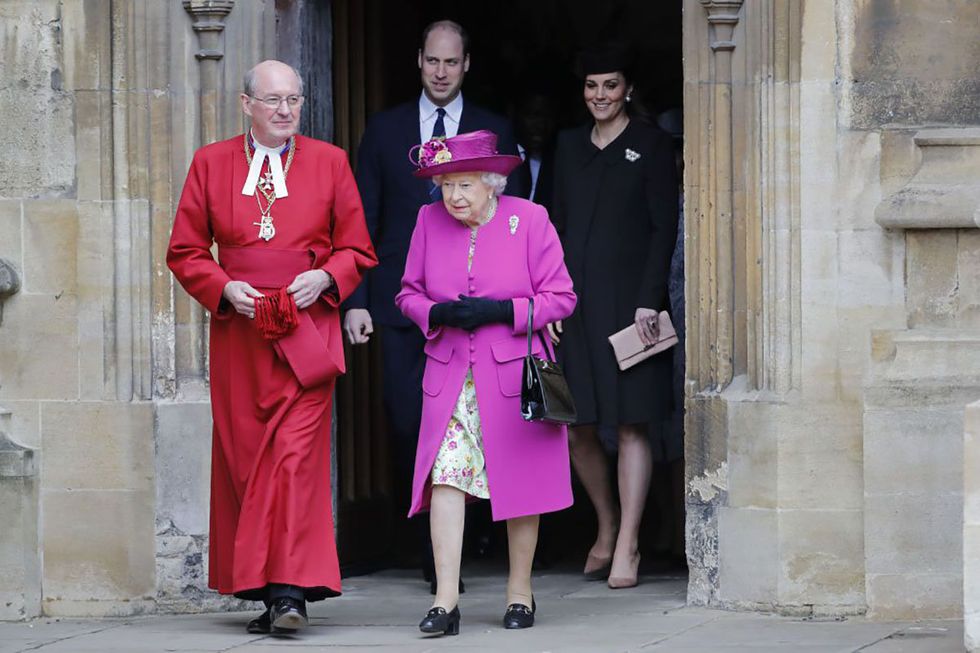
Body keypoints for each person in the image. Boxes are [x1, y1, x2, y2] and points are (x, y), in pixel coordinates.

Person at [166, 60, 377, 634]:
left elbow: (357, 248)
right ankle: (264, 591)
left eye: (294, 100)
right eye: (273, 100)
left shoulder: (330, 162)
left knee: (293, 462)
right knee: (248, 463)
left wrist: (328, 278)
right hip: (242, 334)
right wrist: (223, 287)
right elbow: (185, 251)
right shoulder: (210, 163)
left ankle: (290, 593)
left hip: (306, 333)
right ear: (246, 104)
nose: (285, 110)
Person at [344, 19, 526, 590]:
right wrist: (356, 300)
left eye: (451, 62)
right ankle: (426, 537)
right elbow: (360, 221)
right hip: (405, 308)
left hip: (480, 313)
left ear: (467, 63)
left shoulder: (495, 129)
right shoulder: (384, 129)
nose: (441, 72)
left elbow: (516, 225)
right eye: (432, 62)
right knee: (408, 422)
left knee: (475, 424)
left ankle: (453, 552)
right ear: (418, 62)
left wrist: (519, 304)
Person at [395, 130, 576, 635]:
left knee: (521, 485)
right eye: (447, 184)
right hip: (451, 374)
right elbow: (407, 293)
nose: (453, 196)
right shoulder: (427, 221)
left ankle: (520, 594)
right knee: (446, 478)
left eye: (465, 185)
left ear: (492, 184)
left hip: (515, 375)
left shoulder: (530, 220)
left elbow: (561, 297)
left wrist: (506, 310)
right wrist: (435, 311)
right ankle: (445, 603)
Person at [549, 44, 679, 589]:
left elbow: (662, 228)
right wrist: (544, 294)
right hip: (571, 308)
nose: (599, 95)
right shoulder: (566, 145)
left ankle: (628, 544)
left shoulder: (651, 144)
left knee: (630, 424)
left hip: (633, 307)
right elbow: (546, 223)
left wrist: (651, 298)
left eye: (610, 85)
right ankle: (605, 524)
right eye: (591, 85)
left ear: (628, 88)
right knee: (576, 426)